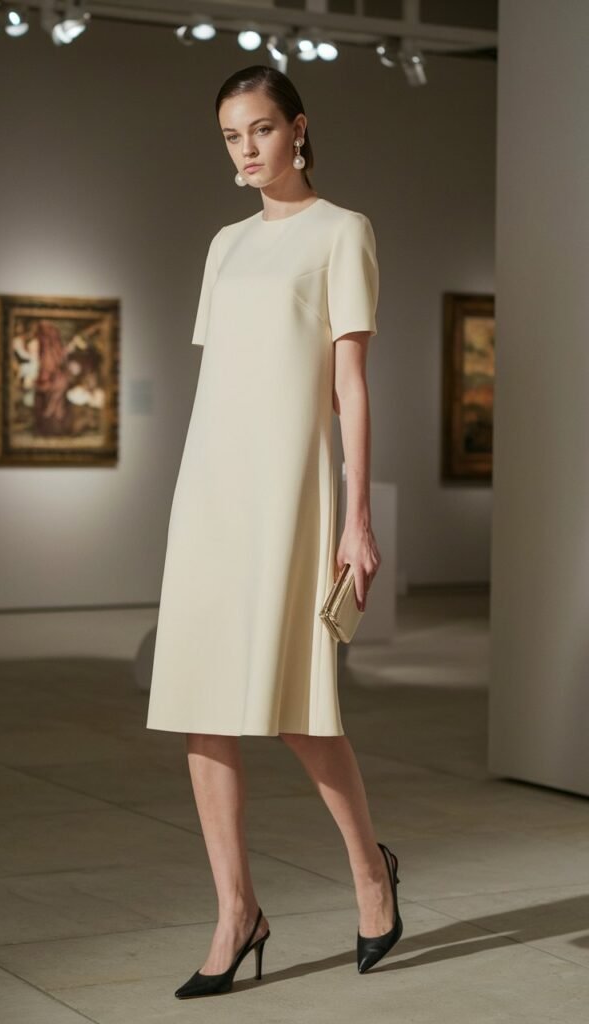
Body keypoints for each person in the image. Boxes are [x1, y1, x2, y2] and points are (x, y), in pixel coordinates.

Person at [146, 64, 403, 998]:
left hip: (290, 496)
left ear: (298, 128)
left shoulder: (344, 233)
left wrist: (358, 515)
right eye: (230, 136)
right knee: (200, 707)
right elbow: (225, 384)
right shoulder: (223, 246)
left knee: (297, 710)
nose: (245, 150)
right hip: (210, 491)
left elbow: (350, 386)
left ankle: (371, 875)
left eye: (259, 129)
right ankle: (236, 913)